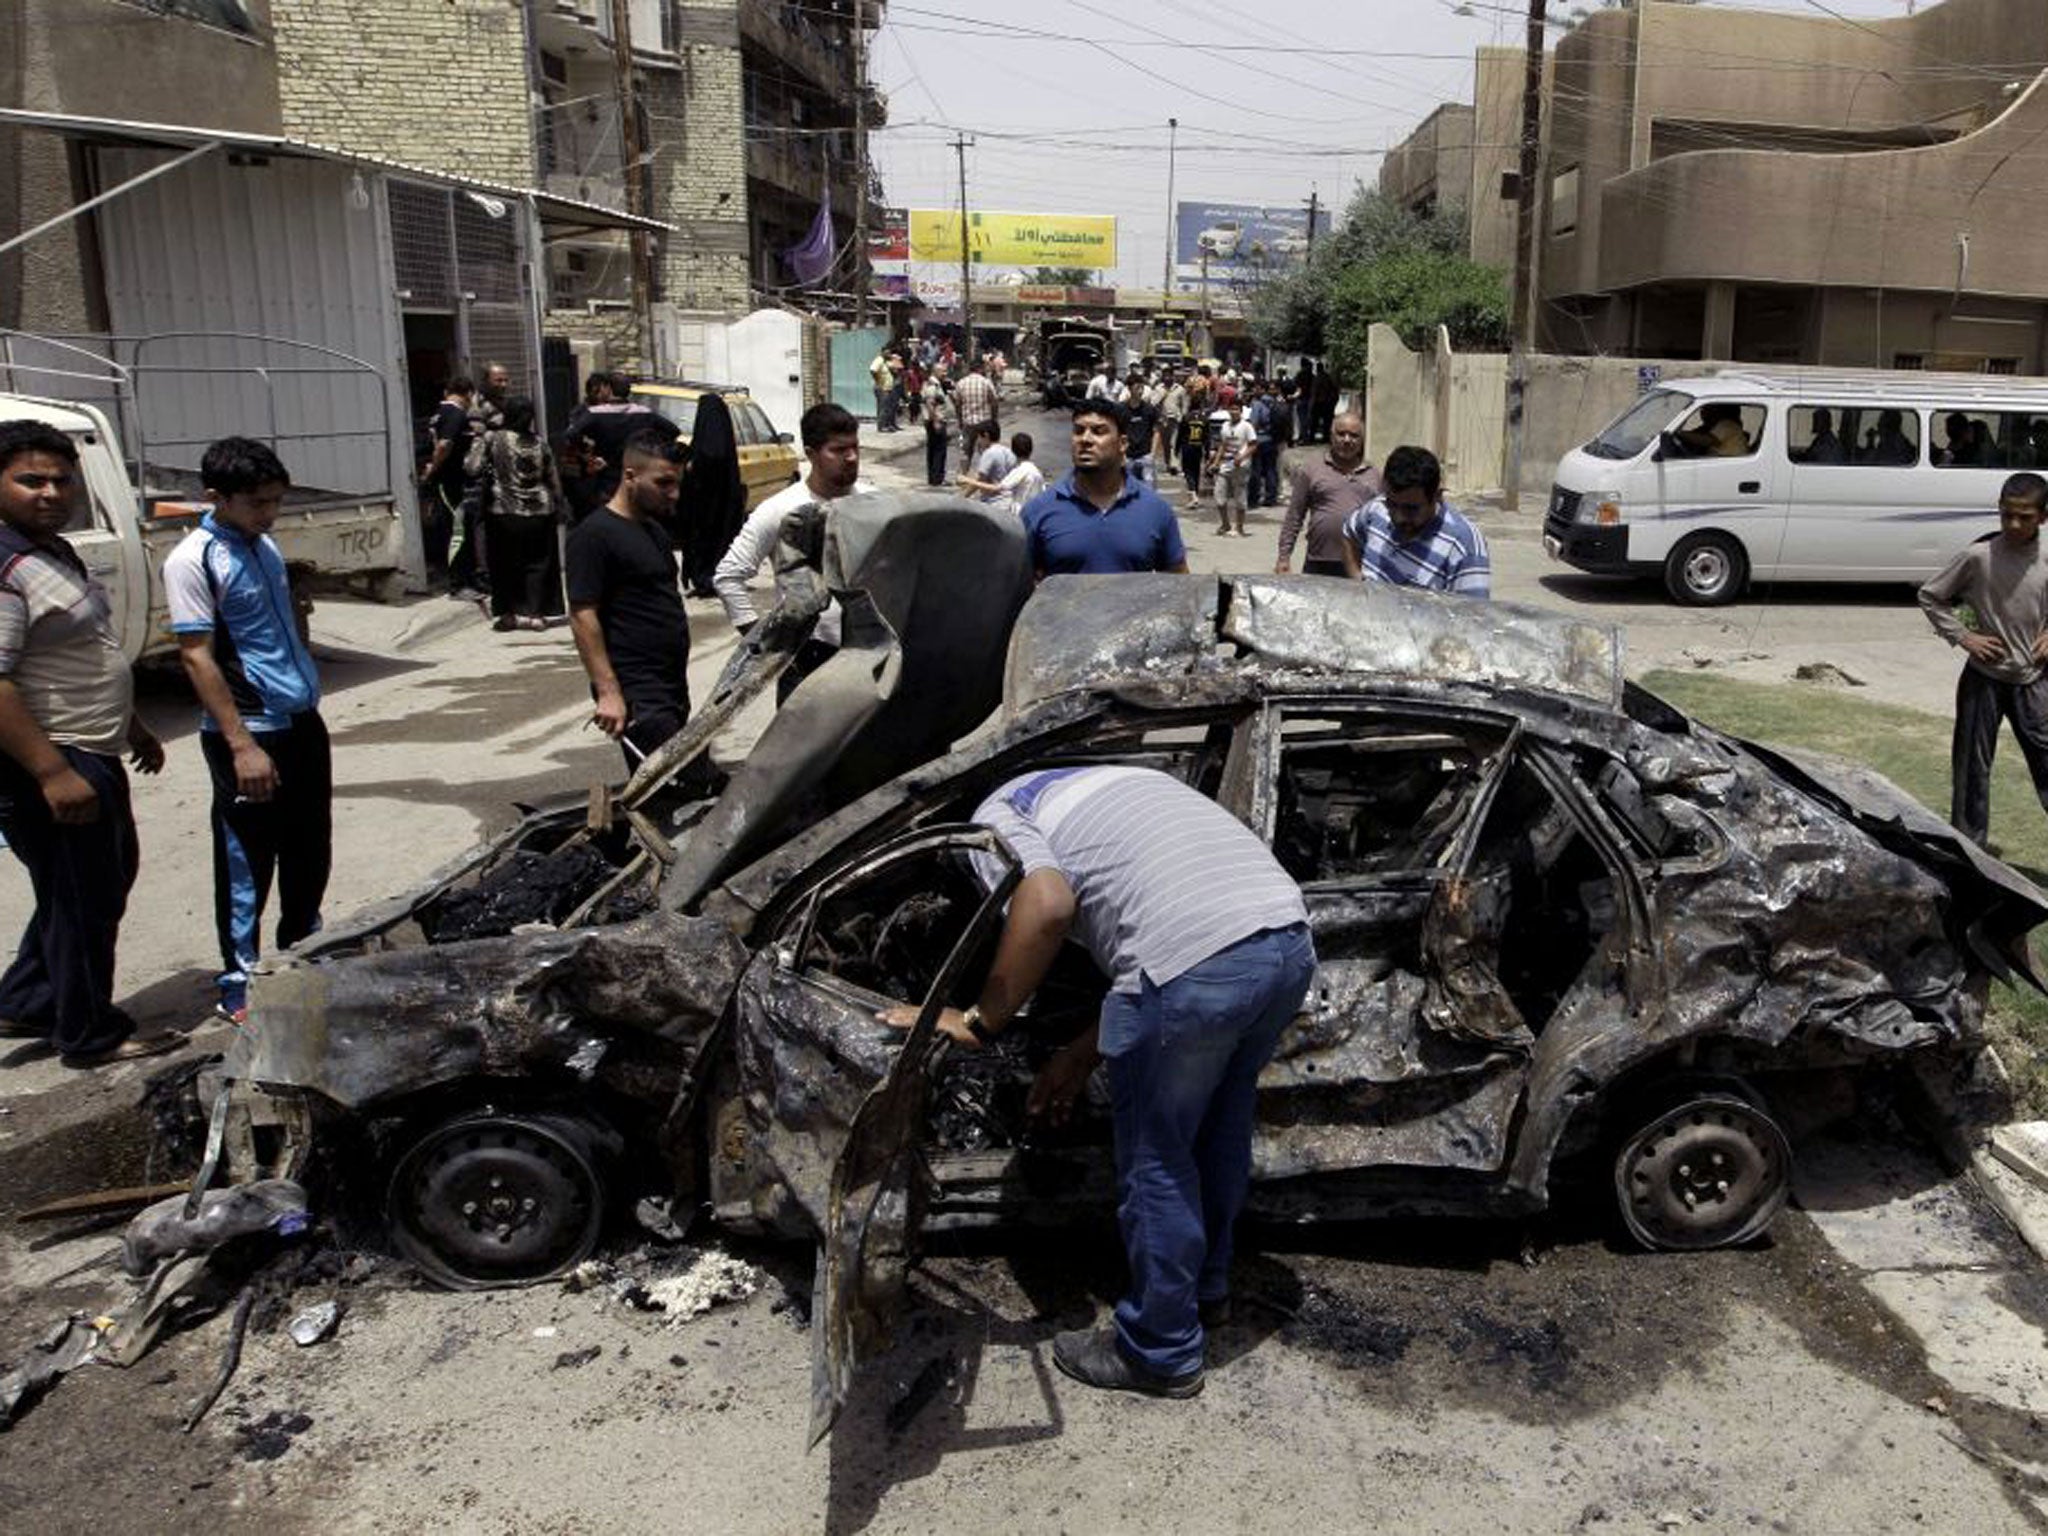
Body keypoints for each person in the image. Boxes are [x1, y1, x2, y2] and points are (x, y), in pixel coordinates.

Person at [880, 764, 1315, 1398]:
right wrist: (1085, 1054)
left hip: (1195, 964)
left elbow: (1048, 904)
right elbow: (1149, 950)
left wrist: (980, 1019)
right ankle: (1206, 1290)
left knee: (1157, 1156)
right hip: (1286, 943)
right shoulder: (1111, 781)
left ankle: (1160, 1350)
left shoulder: (998, 815)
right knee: (1220, 1123)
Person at [0, 421, 173, 1066]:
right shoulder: (7, 565)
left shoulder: (49, 550)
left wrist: (133, 726)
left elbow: (83, 653)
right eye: (30, 480)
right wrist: (50, 773)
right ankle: (89, 1035)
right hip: (55, 756)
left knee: (89, 884)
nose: (50, 491)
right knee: (83, 900)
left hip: (91, 745)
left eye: (61, 479)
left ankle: (28, 999)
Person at [163, 437, 330, 1026]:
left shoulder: (265, 546)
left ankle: (303, 953)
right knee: (246, 861)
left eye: (275, 502)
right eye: (257, 503)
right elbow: (197, 657)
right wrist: (241, 745)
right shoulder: (193, 559)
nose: (268, 514)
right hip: (250, 732)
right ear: (216, 497)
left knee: (309, 848)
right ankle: (240, 979)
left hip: (301, 722)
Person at [1918, 472, 2048, 847]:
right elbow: (1931, 596)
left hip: (2034, 681)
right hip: (1983, 680)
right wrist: (1964, 636)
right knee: (1972, 770)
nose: (2013, 524)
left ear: (2042, 516)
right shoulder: (1979, 555)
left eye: (2024, 516)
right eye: (2006, 514)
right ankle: (1968, 854)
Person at [716, 402, 872, 703]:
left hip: (868, 656)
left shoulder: (874, 502)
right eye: (839, 450)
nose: (851, 458)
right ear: (811, 454)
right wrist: (761, 641)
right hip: (807, 659)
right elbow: (728, 576)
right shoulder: (779, 509)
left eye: (855, 448)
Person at [565, 430, 689, 769]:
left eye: (677, 483)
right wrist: (608, 691)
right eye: (663, 483)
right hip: (637, 689)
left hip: (669, 683)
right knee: (674, 782)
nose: (674, 494)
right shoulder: (593, 536)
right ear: (630, 476)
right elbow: (582, 616)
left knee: (670, 787)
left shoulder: (654, 531)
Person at [1021, 401, 1189, 578]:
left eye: (1098, 431)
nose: (1085, 439)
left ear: (1122, 444)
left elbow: (1179, 585)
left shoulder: (1156, 510)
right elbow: (1019, 585)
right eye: (1078, 431)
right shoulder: (1038, 511)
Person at [466, 395, 565, 632]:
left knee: (505, 564)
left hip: (504, 512)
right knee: (539, 563)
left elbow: (472, 467)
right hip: (540, 512)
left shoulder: (493, 439)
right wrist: (560, 506)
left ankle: (509, 614)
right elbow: (554, 481)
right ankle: (536, 615)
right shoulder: (540, 443)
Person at [1341, 444, 1491, 597]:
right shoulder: (1377, 508)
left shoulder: (1465, 545)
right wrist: (1357, 583)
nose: (1398, 517)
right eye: (1392, 505)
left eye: (1410, 509)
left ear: (1437, 496)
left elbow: (1473, 615)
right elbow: (1348, 532)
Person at [1276, 412, 1379, 578]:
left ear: (1362, 441)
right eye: (1341, 434)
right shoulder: (1312, 470)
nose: (1347, 440)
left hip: (1359, 564)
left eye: (1354, 435)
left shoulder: (1374, 475)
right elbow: (1294, 516)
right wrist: (1283, 558)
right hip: (1319, 562)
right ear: (1331, 436)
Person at [672, 391, 742, 599]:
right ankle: (712, 578)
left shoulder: (704, 448)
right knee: (720, 539)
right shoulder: (724, 444)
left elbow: (706, 462)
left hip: (702, 506)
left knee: (703, 541)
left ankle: (704, 579)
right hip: (723, 503)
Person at [419, 375, 474, 573]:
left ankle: (453, 571)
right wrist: (433, 468)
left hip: (443, 479)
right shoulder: (455, 414)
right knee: (457, 529)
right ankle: (459, 578)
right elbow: (444, 444)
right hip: (450, 479)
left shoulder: (438, 413)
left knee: (448, 527)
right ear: (468, 394)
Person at [1209, 399, 1256, 538]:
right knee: (1219, 497)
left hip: (1241, 465)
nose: (1234, 412)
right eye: (1232, 409)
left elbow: (1253, 445)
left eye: (1237, 409)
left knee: (1239, 496)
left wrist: (1241, 458)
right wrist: (1215, 463)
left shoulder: (1246, 426)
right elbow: (1222, 445)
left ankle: (1239, 527)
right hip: (1225, 464)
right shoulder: (1225, 426)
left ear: (1241, 411)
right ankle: (1225, 524)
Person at [953, 358, 998, 472]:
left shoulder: (961, 383)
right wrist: (994, 419)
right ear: (980, 369)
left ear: (969, 369)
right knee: (985, 451)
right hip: (984, 422)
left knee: (965, 451)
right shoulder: (986, 382)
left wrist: (960, 420)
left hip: (967, 423)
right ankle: (984, 477)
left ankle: (964, 475)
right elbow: (994, 402)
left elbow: (957, 404)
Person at [957, 421, 1014, 503]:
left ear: (986, 435)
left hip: (994, 501)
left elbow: (979, 479)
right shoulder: (1008, 451)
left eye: (979, 437)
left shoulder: (989, 454)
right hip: (1009, 499)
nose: (978, 441)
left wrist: (961, 498)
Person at [1247, 384, 1283, 510]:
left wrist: (1249, 439)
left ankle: (1253, 499)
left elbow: (1254, 423)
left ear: (1263, 390)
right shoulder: (1277, 403)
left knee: (1255, 470)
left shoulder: (1258, 404)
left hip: (1259, 440)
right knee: (1271, 469)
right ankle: (1271, 497)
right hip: (1272, 440)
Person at [921, 365, 951, 488]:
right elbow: (930, 404)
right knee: (939, 450)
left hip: (934, 421)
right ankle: (937, 478)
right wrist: (936, 421)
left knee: (933, 450)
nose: (945, 373)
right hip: (935, 421)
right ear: (936, 371)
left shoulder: (937, 384)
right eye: (943, 371)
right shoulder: (932, 385)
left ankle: (934, 478)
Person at [1158, 371, 1188, 482]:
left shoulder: (1180, 389)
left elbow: (1184, 404)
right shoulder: (1158, 388)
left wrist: (1183, 417)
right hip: (1162, 420)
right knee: (1165, 444)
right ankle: (1168, 464)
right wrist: (1161, 396)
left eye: (1169, 375)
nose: (1168, 378)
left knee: (1173, 443)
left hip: (1175, 419)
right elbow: (1153, 403)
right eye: (1165, 376)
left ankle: (1174, 465)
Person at [870, 348, 899, 433]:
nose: (889, 354)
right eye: (887, 352)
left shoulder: (885, 361)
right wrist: (878, 381)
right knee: (883, 407)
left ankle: (886, 425)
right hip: (882, 388)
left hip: (887, 388)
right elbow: (873, 370)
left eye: (890, 352)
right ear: (882, 352)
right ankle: (881, 427)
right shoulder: (878, 360)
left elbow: (896, 369)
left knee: (887, 407)